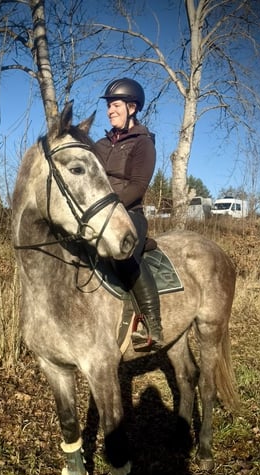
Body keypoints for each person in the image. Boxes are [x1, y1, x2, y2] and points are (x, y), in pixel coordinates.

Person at [94, 77, 162, 351]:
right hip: (97, 214)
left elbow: (138, 186)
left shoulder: (143, 143)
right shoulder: (100, 145)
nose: (110, 110)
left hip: (129, 213)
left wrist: (109, 206)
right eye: (109, 106)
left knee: (122, 254)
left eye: (116, 105)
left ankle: (152, 325)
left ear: (132, 108)